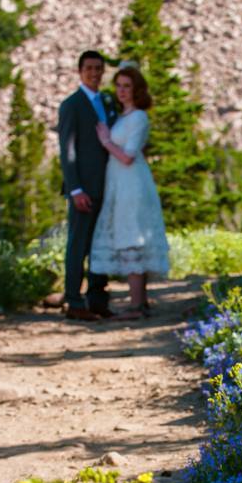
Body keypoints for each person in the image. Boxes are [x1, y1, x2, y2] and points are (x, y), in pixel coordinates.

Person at [89, 63, 169, 319]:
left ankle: (136, 305)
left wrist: (105, 141)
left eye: (127, 86)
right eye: (119, 86)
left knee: (132, 237)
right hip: (120, 182)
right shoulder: (124, 117)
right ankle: (140, 302)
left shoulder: (138, 117)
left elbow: (128, 156)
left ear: (137, 90)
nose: (122, 91)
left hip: (131, 184)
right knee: (129, 236)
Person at [57, 50, 118, 321]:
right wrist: (75, 189)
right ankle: (73, 300)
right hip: (83, 189)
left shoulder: (107, 101)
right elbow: (67, 150)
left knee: (101, 244)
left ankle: (98, 299)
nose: (94, 73)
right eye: (89, 68)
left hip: (108, 185)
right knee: (78, 245)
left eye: (98, 68)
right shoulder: (71, 105)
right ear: (80, 71)